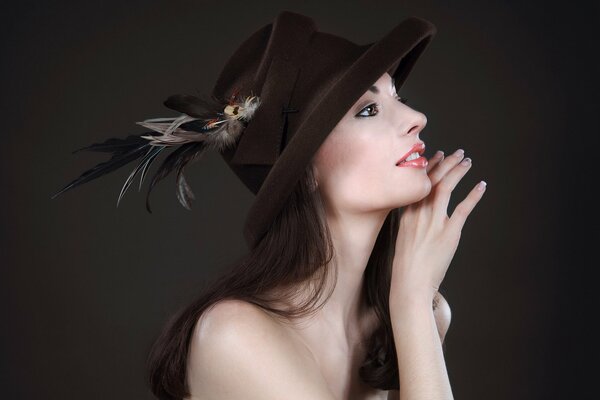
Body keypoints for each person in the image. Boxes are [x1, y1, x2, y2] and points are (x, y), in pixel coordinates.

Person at [51, 10, 486, 400]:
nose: (416, 119)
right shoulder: (234, 335)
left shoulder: (410, 318)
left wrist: (413, 308)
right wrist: (411, 301)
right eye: (368, 110)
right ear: (306, 170)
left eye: (399, 99)